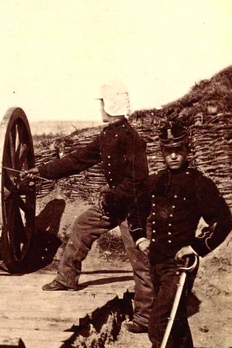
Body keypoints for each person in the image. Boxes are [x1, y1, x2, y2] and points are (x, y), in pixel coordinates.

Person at [22, 81, 153, 333]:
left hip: (133, 207)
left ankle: (146, 317)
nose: (101, 108)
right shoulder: (107, 135)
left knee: (139, 258)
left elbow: (138, 180)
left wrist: (112, 196)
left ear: (111, 105)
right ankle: (67, 278)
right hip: (113, 202)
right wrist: (43, 171)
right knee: (82, 226)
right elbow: (78, 159)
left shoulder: (132, 139)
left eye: (103, 103)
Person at [128, 121, 232, 348]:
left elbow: (223, 220)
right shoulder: (155, 182)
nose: (173, 156)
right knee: (177, 322)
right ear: (162, 152)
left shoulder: (199, 183)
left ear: (187, 151)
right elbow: (134, 213)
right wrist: (140, 240)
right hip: (157, 263)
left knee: (159, 322)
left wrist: (196, 247)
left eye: (178, 150)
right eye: (168, 151)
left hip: (181, 267)